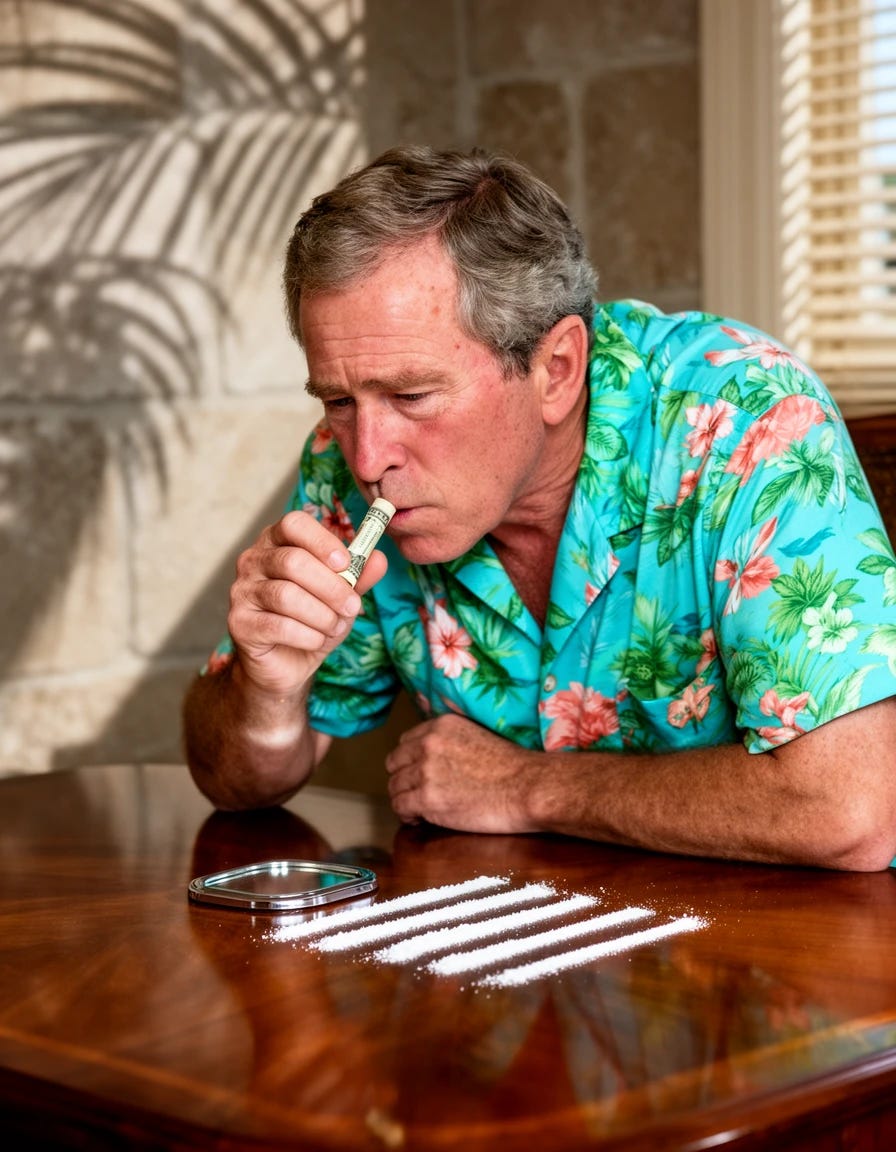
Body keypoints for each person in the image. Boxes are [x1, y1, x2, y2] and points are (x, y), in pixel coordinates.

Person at [182, 145, 896, 871]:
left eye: (412, 397)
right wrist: (264, 690)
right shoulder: (350, 461)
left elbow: (851, 809)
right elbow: (235, 786)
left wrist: (528, 788)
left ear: (556, 370)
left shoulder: (744, 418)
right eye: (338, 399)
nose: (367, 458)